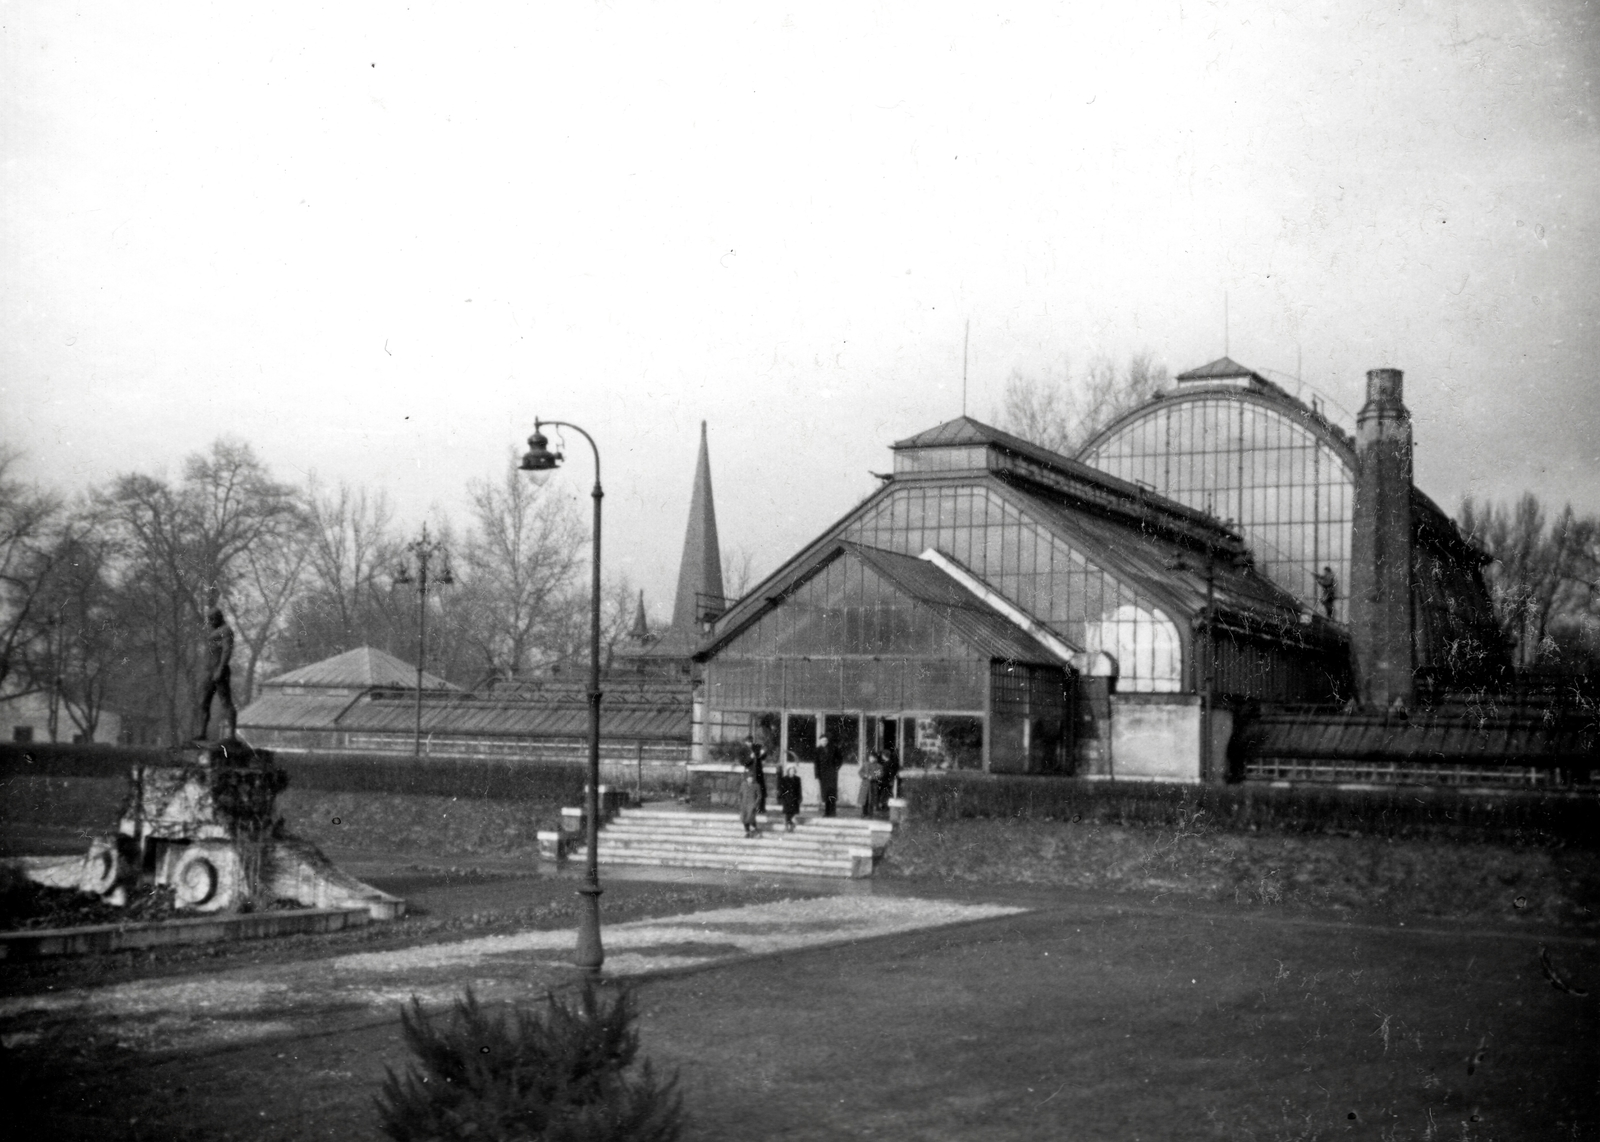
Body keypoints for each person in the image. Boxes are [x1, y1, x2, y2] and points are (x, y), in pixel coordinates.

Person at [194, 607, 237, 742]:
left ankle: (231, 735)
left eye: (212, 619)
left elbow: (226, 651)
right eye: (209, 619)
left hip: (220, 670)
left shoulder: (226, 631)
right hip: (209, 671)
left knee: (226, 702)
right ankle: (202, 733)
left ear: (219, 617)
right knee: (203, 703)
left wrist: (220, 669)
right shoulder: (214, 631)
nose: (210, 622)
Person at [742, 734, 769, 814]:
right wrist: (751, 757)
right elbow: (743, 762)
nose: (749, 744)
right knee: (750, 790)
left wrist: (763, 752)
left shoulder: (756, 747)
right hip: (750, 773)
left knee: (761, 789)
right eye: (747, 742)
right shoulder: (743, 750)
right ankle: (749, 808)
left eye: (750, 742)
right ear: (745, 742)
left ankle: (761, 807)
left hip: (758, 771)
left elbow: (763, 754)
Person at [776, 757, 803, 832]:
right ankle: (787, 826)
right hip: (786, 798)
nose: (792, 772)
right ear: (788, 771)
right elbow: (781, 789)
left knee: (792, 812)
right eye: (790, 770)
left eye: (793, 770)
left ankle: (790, 826)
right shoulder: (784, 779)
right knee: (787, 813)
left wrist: (800, 797)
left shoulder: (797, 779)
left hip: (794, 798)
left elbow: (799, 789)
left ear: (795, 771)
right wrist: (780, 797)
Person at [737, 769, 762, 838]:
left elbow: (759, 796)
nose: (750, 779)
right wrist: (740, 802)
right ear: (747, 778)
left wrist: (755, 804)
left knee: (750, 818)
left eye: (751, 778)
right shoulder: (743, 784)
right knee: (744, 819)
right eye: (749, 778)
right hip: (744, 804)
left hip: (752, 804)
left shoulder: (756, 785)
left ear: (753, 778)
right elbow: (740, 794)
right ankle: (747, 832)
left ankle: (756, 831)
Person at [858, 750, 882, 818]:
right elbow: (860, 772)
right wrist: (864, 775)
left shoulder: (878, 766)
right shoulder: (865, 764)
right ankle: (863, 813)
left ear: (876, 758)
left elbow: (879, 775)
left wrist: (873, 777)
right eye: (870, 757)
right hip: (865, 784)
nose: (871, 759)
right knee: (864, 799)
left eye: (873, 758)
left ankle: (870, 813)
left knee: (871, 800)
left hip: (873, 784)